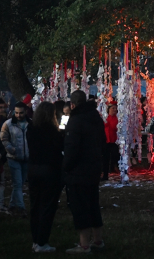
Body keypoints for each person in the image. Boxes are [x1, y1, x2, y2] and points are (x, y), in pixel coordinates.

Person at [63, 90, 106, 253]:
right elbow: (103, 142)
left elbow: (72, 148)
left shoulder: (75, 121)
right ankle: (97, 239)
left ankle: (84, 244)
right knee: (93, 204)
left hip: (78, 170)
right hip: (94, 168)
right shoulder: (96, 118)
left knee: (80, 207)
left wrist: (66, 166)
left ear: (72, 105)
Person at [27, 101, 64, 253]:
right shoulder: (52, 131)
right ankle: (42, 241)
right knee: (47, 206)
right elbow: (58, 149)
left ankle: (36, 240)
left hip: (34, 169)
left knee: (35, 205)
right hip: (49, 170)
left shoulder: (31, 128)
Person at [1, 101, 31, 217]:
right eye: (16, 113)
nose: (18, 115)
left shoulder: (30, 123)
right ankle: (21, 207)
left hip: (26, 157)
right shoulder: (8, 124)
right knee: (18, 183)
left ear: (26, 112)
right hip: (13, 157)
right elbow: (4, 139)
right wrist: (9, 148)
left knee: (20, 183)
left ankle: (12, 205)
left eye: (21, 113)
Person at [102, 103, 119, 181]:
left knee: (115, 156)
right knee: (105, 158)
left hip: (114, 141)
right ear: (109, 109)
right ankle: (105, 174)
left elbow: (115, 128)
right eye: (113, 108)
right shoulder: (105, 117)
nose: (115, 110)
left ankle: (113, 168)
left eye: (115, 108)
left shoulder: (117, 118)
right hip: (106, 140)